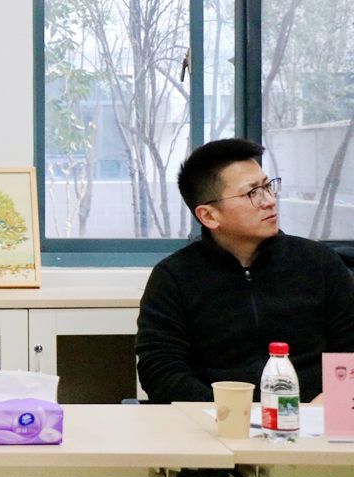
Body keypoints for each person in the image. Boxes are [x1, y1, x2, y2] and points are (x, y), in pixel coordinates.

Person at [136, 138, 354, 403]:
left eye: (267, 187)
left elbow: (349, 351)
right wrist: (228, 413)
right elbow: (161, 371)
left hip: (315, 415)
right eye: (252, 193)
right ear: (209, 216)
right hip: (215, 419)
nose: (269, 201)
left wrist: (331, 400)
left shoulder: (319, 263)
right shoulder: (173, 278)